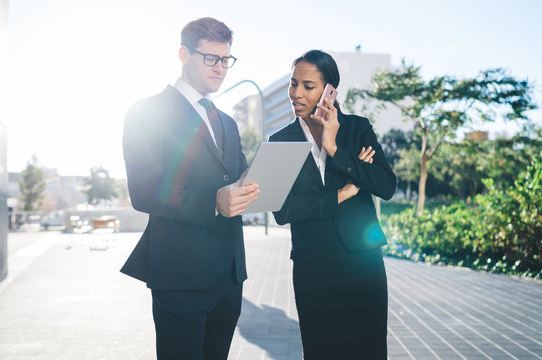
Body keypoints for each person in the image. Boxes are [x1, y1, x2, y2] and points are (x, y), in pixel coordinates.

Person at [121, 17, 259, 359]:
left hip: (228, 276)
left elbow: (238, 178)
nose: (220, 69)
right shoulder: (146, 112)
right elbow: (144, 190)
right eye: (210, 58)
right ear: (184, 54)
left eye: (226, 60)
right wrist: (213, 201)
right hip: (181, 275)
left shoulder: (226, 121)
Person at [270, 50, 397, 359]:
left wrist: (335, 149)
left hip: (363, 263)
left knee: (368, 351)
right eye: (293, 83)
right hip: (313, 266)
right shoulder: (280, 141)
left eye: (308, 85)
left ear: (329, 91)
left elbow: (386, 185)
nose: (296, 93)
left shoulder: (356, 129)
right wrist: (342, 193)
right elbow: (283, 211)